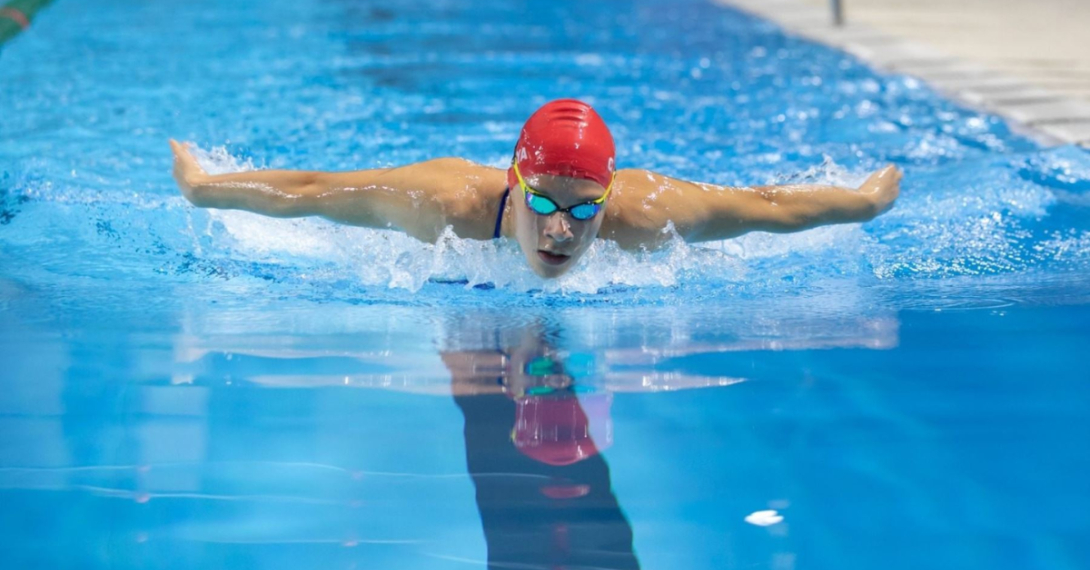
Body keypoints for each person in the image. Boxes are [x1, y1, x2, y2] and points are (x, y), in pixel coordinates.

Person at [171, 99, 902, 278]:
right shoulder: (446, 203)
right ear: (515, 185)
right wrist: (208, 188)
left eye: (584, 209)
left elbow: (765, 207)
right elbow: (317, 189)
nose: (561, 231)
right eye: (544, 203)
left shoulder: (645, 215)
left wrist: (863, 203)